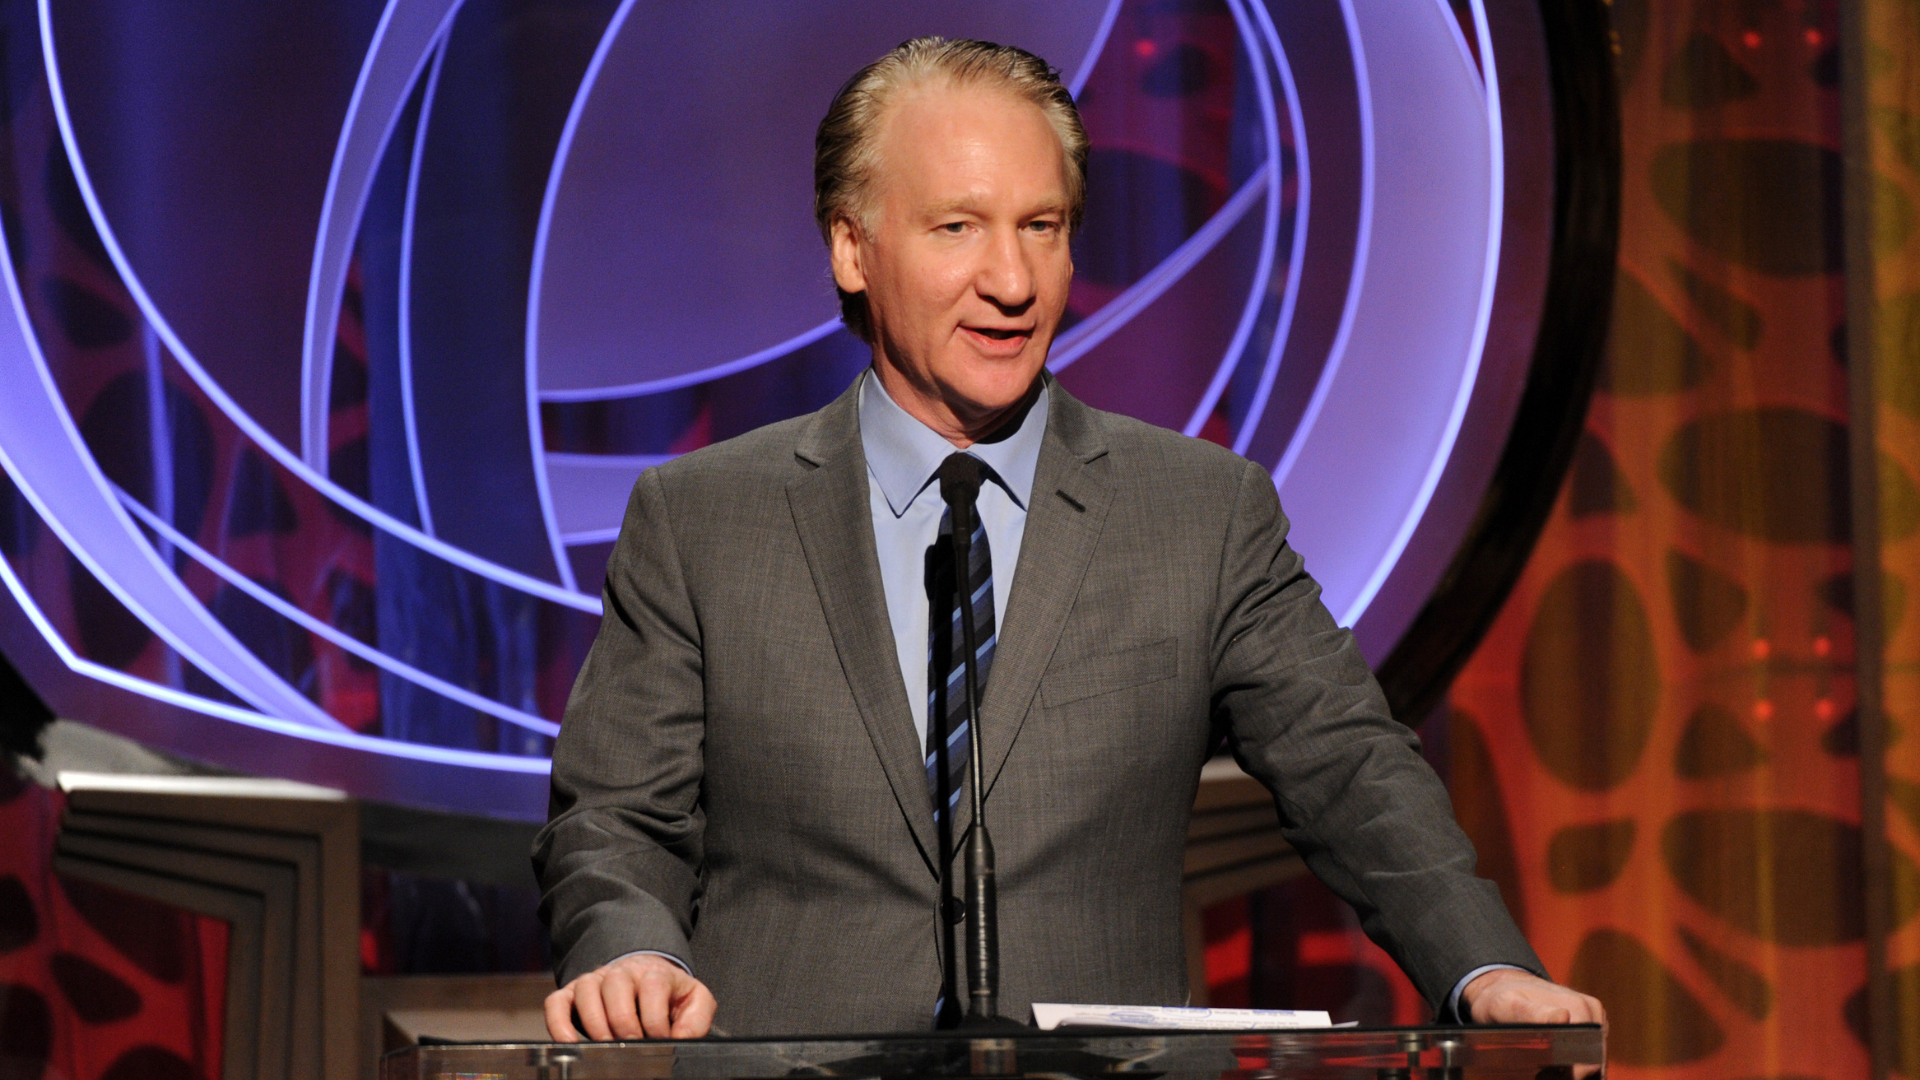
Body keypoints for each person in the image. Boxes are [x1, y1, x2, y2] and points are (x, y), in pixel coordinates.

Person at [533, 36, 1604, 1042]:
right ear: (853, 250)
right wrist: (627, 949)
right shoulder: (705, 519)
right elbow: (615, 820)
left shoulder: (1200, 512)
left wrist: (1480, 967)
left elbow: (1349, 765)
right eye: (959, 228)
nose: (1013, 282)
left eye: (1041, 227)